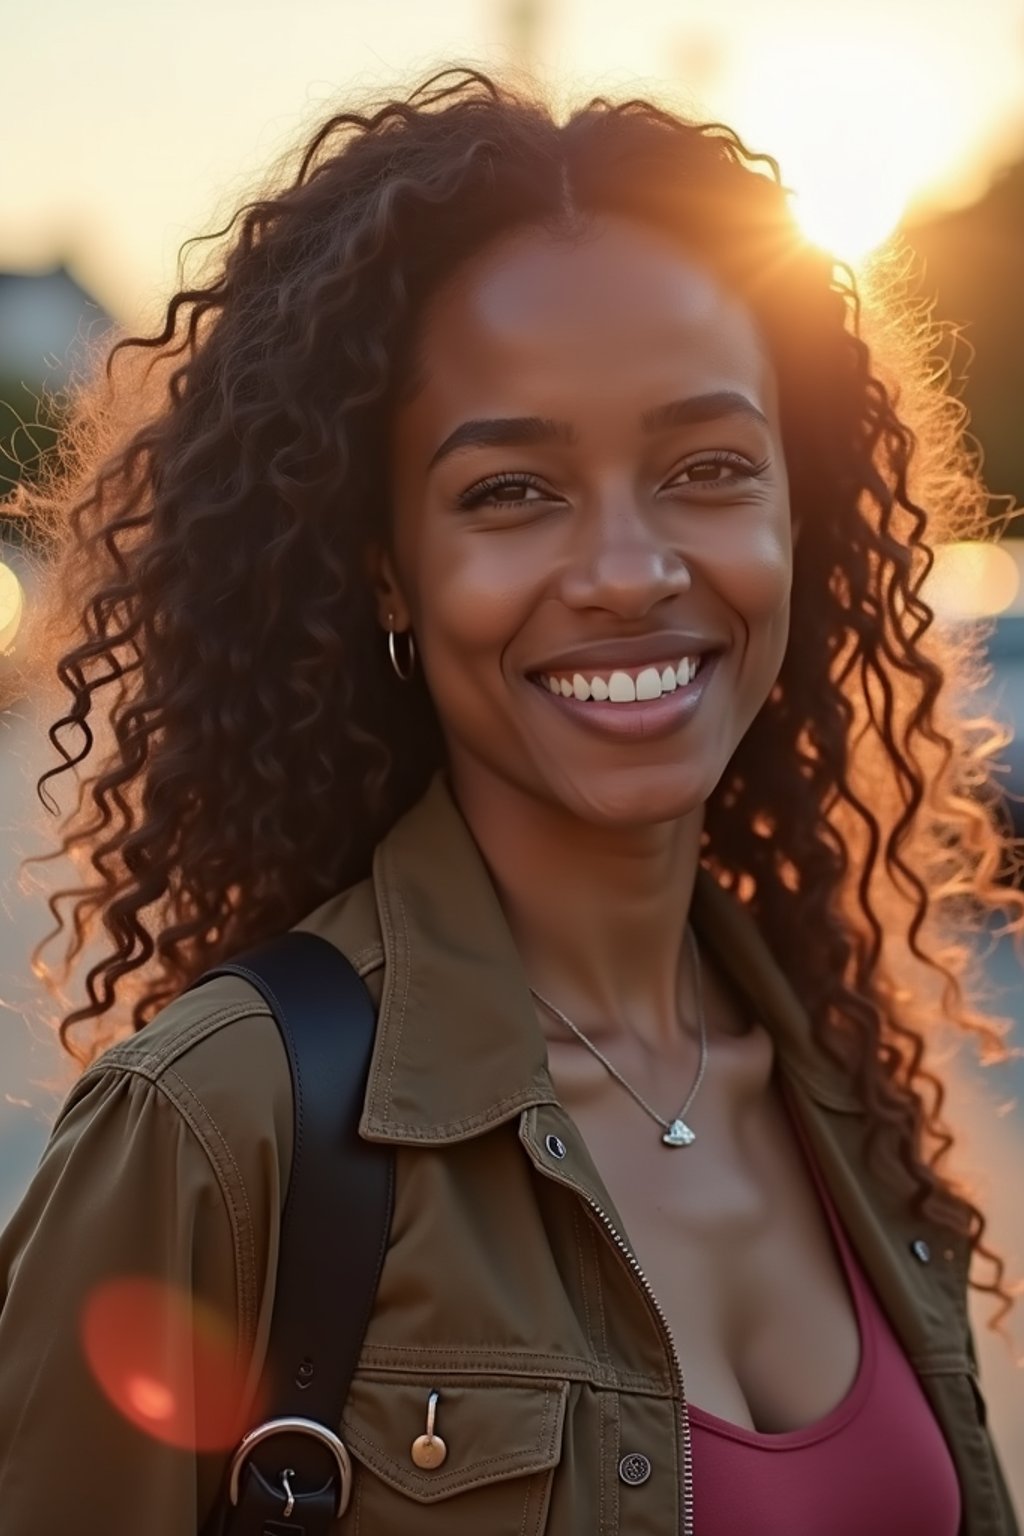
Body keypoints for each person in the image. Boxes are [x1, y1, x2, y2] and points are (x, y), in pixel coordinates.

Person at [0, 63, 1020, 1535]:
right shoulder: (223, 1126)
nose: (628, 570)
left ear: (796, 514)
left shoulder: (838, 1081)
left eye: (709, 468)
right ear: (388, 569)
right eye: (511, 492)